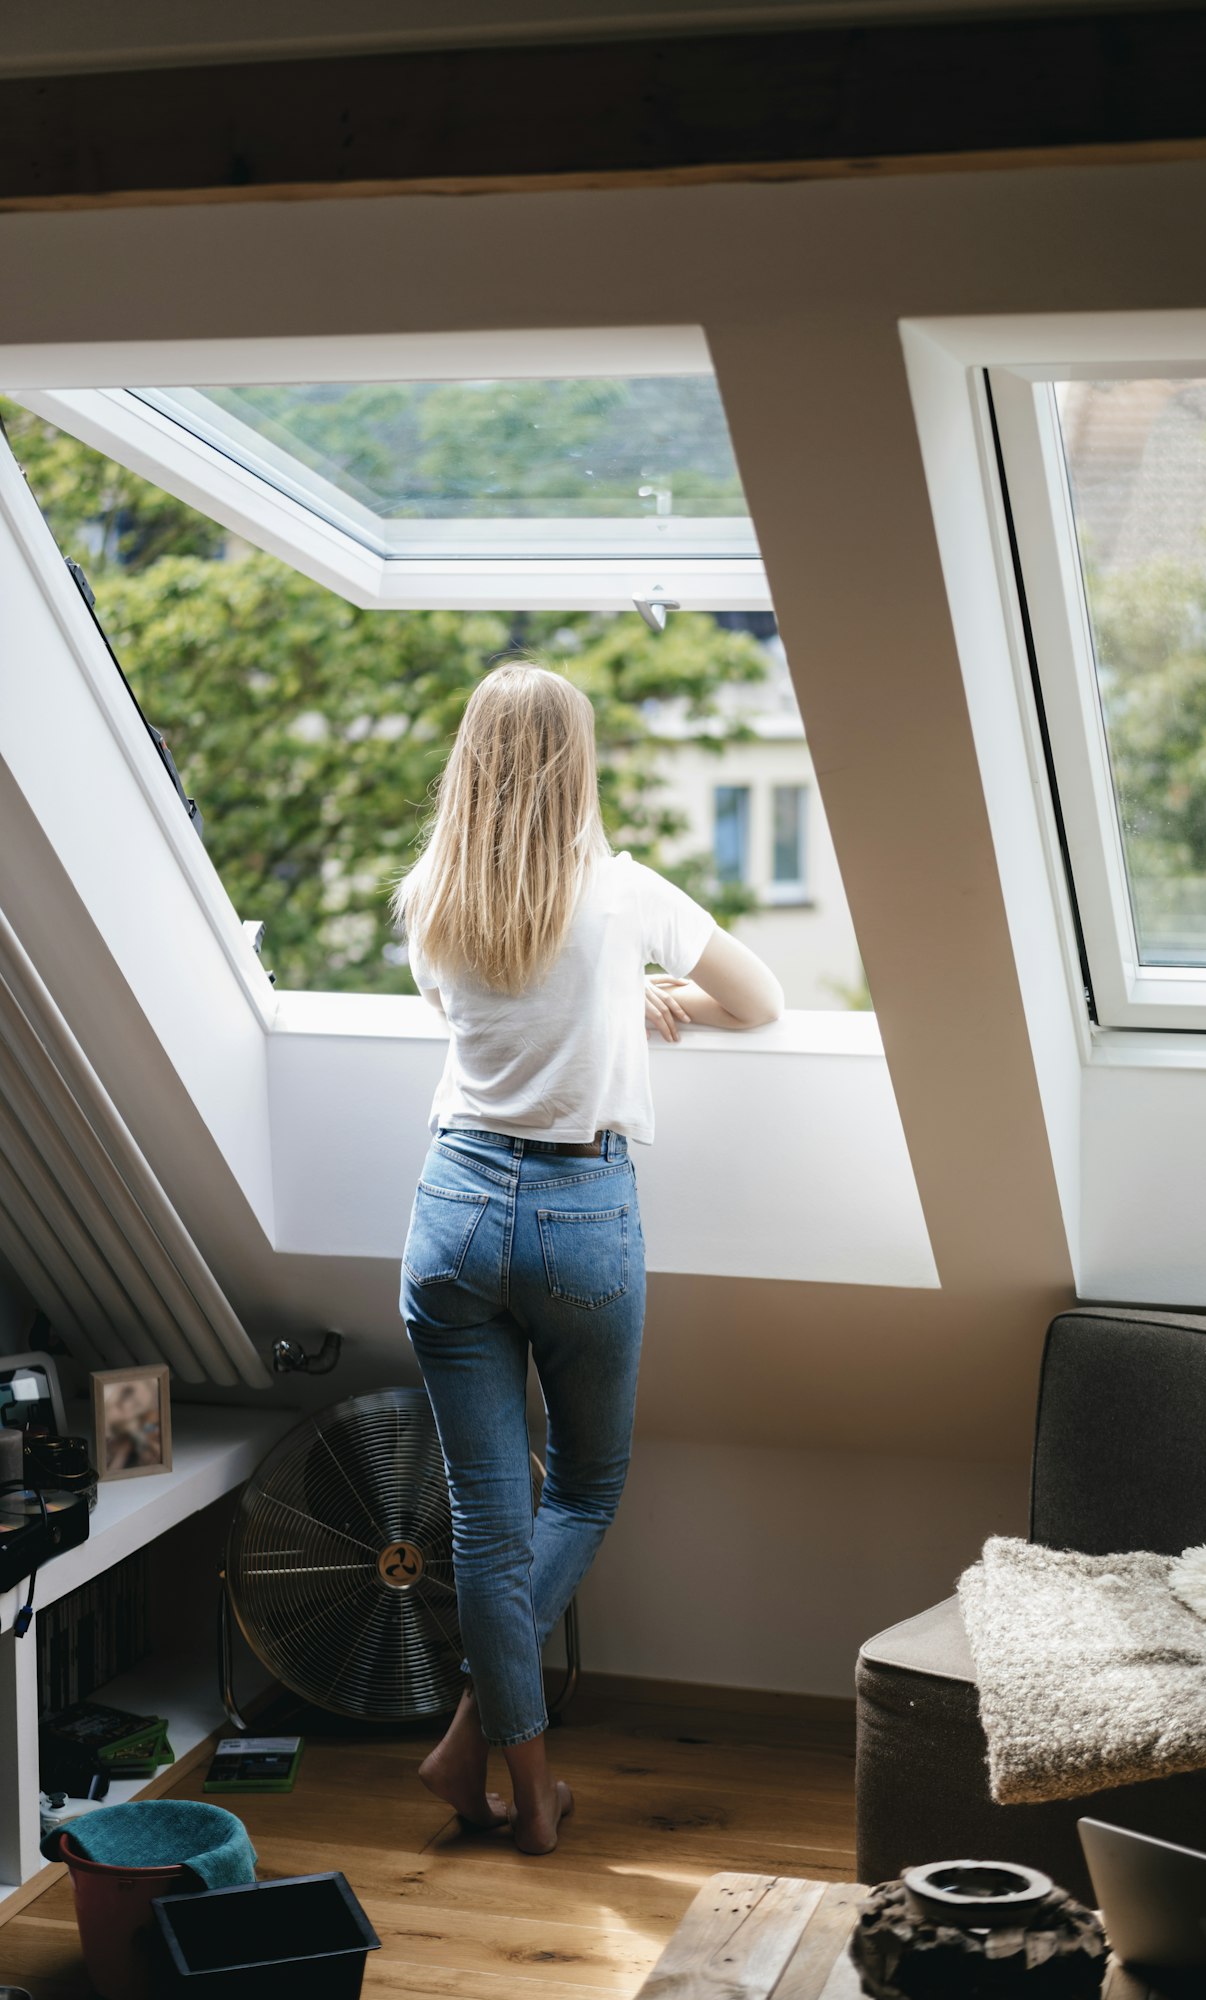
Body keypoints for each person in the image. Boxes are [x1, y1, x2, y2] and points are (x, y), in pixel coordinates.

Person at [394, 661, 782, 1855]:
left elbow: (485, 1027)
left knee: (484, 1523)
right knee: (585, 1487)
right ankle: (506, 1772)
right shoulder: (623, 895)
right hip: (576, 1213)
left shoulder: (432, 895)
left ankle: (502, 1769)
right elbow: (760, 1000)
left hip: (451, 1206)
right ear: (578, 767)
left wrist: (622, 1003)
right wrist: (663, 998)